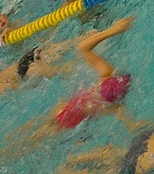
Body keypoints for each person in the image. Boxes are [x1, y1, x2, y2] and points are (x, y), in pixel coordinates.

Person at [8, 18, 137, 143]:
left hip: (66, 109)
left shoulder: (106, 73)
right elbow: (125, 118)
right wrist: (133, 126)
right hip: (71, 117)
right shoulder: (112, 106)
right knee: (34, 138)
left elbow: (81, 47)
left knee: (33, 131)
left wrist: (114, 29)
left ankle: (9, 141)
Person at [0, 31, 91, 96]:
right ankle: (89, 36)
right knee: (66, 45)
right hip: (27, 57)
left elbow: (12, 86)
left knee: (66, 70)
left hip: (27, 71)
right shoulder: (2, 72)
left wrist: (30, 86)